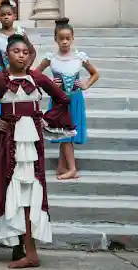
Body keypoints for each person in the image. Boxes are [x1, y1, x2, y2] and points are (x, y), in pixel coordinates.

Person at [0, 34, 76, 269]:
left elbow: (63, 99)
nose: (21, 55)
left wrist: (45, 121)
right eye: (16, 51)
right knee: (12, 191)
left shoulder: (37, 77)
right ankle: (24, 248)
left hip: (31, 142)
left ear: (30, 55)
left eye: (25, 52)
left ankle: (30, 251)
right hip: (8, 141)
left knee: (31, 191)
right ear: (7, 54)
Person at [35, 18, 99, 180]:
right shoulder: (51, 58)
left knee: (67, 133)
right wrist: (50, 84)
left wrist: (85, 85)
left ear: (72, 38)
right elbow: (35, 75)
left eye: (67, 38)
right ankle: (64, 166)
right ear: (55, 39)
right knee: (63, 132)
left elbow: (95, 73)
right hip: (58, 101)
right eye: (61, 38)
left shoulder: (79, 57)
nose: (64, 42)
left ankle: (70, 168)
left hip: (75, 100)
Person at [0, 0, 36, 115]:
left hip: (15, 73)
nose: (6, 17)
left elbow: (32, 52)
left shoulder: (20, 33)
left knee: (12, 104)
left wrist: (26, 67)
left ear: (14, 16)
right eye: (3, 15)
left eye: (9, 14)